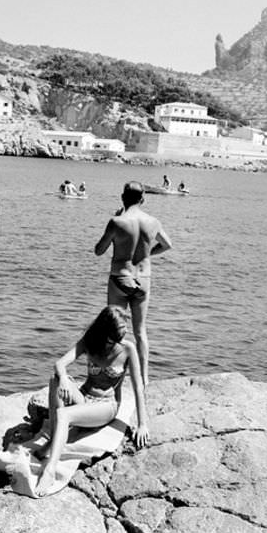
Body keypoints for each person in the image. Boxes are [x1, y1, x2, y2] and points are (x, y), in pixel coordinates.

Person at [35, 306, 149, 496]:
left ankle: (50, 470)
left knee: (63, 413)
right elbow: (60, 364)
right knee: (55, 379)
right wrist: (63, 379)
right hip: (84, 398)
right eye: (121, 327)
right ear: (107, 329)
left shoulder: (128, 349)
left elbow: (138, 387)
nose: (126, 330)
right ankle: (55, 437)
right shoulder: (90, 341)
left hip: (106, 406)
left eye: (125, 326)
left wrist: (142, 424)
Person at [94, 181, 173, 387]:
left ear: (122, 198)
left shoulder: (117, 222)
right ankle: (144, 378)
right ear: (143, 199)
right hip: (143, 279)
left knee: (116, 329)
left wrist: (116, 225)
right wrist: (148, 254)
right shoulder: (153, 221)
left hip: (120, 277)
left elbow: (99, 250)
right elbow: (167, 245)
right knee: (140, 331)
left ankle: (114, 374)